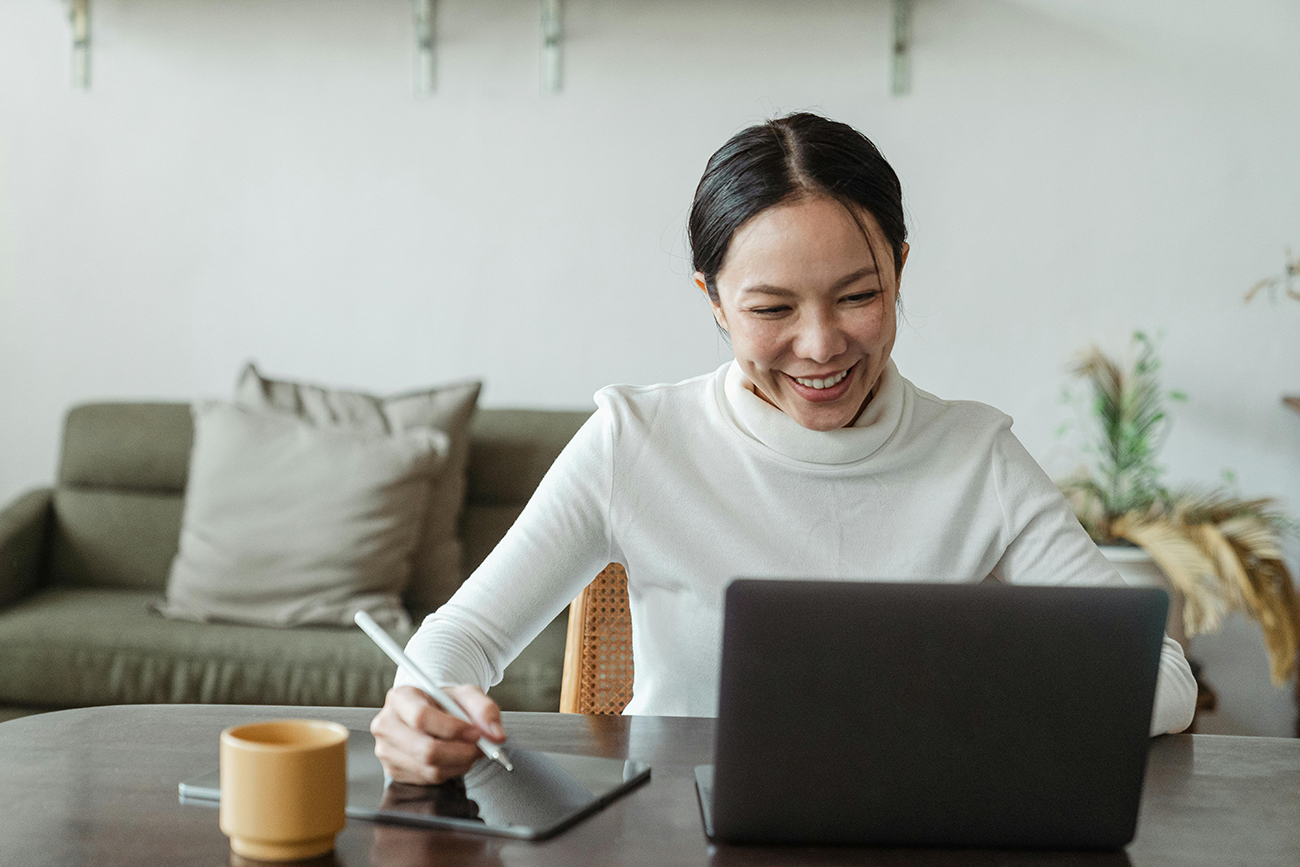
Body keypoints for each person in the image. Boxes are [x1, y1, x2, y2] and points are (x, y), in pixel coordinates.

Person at [370, 113, 1198, 784]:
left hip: (910, 830)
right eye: (770, 309)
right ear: (715, 302)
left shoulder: (976, 455)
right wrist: (422, 705)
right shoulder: (636, 440)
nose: (820, 345)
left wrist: (984, 698)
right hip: (674, 830)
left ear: (900, 271)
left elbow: (1162, 676)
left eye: (860, 295)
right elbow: (461, 637)